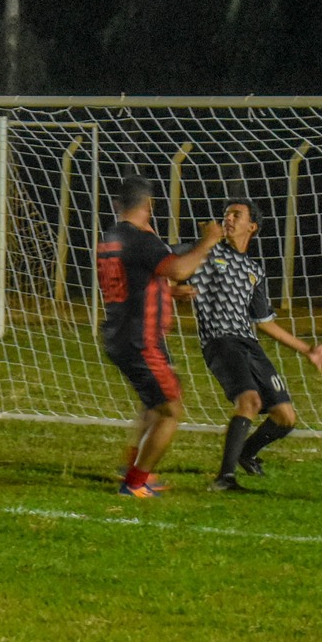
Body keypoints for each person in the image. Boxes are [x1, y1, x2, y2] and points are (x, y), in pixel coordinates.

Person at [182, 195, 322, 492]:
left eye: (235, 215)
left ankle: (246, 453)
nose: (228, 219)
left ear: (251, 226)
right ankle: (224, 478)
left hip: (249, 344)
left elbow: (264, 321)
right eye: (226, 214)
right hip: (220, 340)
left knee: (286, 418)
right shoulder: (205, 251)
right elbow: (167, 264)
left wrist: (307, 350)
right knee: (250, 401)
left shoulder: (255, 270)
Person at [96, 174, 223, 497]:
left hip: (121, 333)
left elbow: (137, 278)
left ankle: (132, 467)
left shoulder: (111, 236)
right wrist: (208, 240)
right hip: (141, 339)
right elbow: (179, 269)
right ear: (150, 205)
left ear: (117, 204)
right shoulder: (141, 238)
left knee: (153, 405)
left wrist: (168, 294)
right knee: (170, 410)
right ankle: (136, 482)